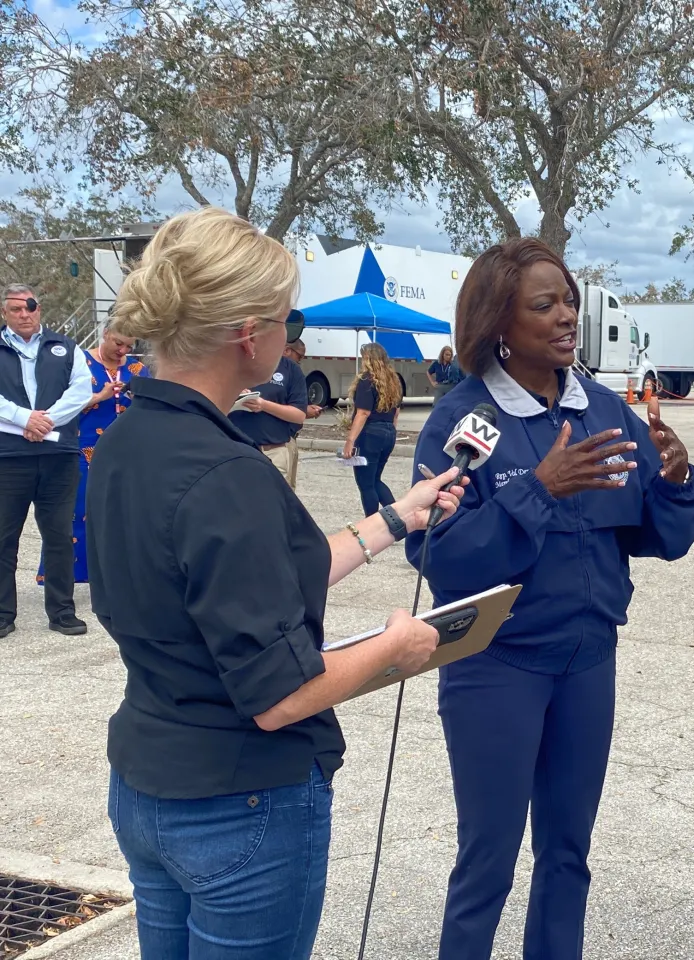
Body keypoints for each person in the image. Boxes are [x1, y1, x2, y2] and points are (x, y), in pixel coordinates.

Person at [85, 206, 464, 960]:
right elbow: (279, 696)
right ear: (247, 332)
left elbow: (257, 579)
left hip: (148, 782)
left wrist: (395, 520)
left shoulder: (132, 437)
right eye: (286, 319)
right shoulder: (226, 472)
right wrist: (399, 647)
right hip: (240, 803)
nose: (291, 337)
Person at [407, 237, 694, 960]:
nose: (568, 316)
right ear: (499, 325)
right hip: (496, 667)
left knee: (569, 854)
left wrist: (675, 479)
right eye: (545, 305)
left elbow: (657, 537)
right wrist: (539, 489)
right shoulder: (464, 420)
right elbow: (438, 556)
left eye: (570, 300)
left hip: (587, 662)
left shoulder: (604, 407)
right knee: (489, 861)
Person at [0, 284, 94, 639]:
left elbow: (81, 390)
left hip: (58, 456)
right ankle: (2, 614)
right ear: (5, 313)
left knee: (58, 535)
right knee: (3, 538)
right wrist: (25, 419)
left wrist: (46, 421)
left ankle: (61, 611)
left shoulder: (66, 348)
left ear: (39, 309)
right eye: (16, 309)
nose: (25, 314)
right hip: (8, 458)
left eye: (31, 307)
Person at [36, 328, 148, 586]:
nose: (123, 351)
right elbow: (56, 407)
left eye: (129, 346)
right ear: (106, 334)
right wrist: (99, 397)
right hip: (82, 447)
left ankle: (115, 575)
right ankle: (66, 576)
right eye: (119, 343)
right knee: (76, 510)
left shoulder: (138, 369)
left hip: (127, 452)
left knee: (122, 512)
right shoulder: (79, 363)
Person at [229, 336, 308, 489]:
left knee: (273, 508)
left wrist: (263, 405)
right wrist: (234, 393)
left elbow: (299, 415)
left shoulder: (290, 369)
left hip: (273, 451)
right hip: (235, 449)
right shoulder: (234, 363)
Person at [343, 341, 403, 517]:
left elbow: (362, 412)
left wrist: (350, 440)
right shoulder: (394, 380)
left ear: (368, 359)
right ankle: (398, 517)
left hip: (370, 434)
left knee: (366, 483)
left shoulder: (367, 380)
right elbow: (396, 413)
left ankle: (371, 523)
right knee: (375, 480)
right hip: (388, 432)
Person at [284, 339, 324, 419]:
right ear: (287, 350)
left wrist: (303, 409)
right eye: (299, 356)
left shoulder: (294, 373)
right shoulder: (269, 372)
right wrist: (302, 410)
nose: (300, 360)